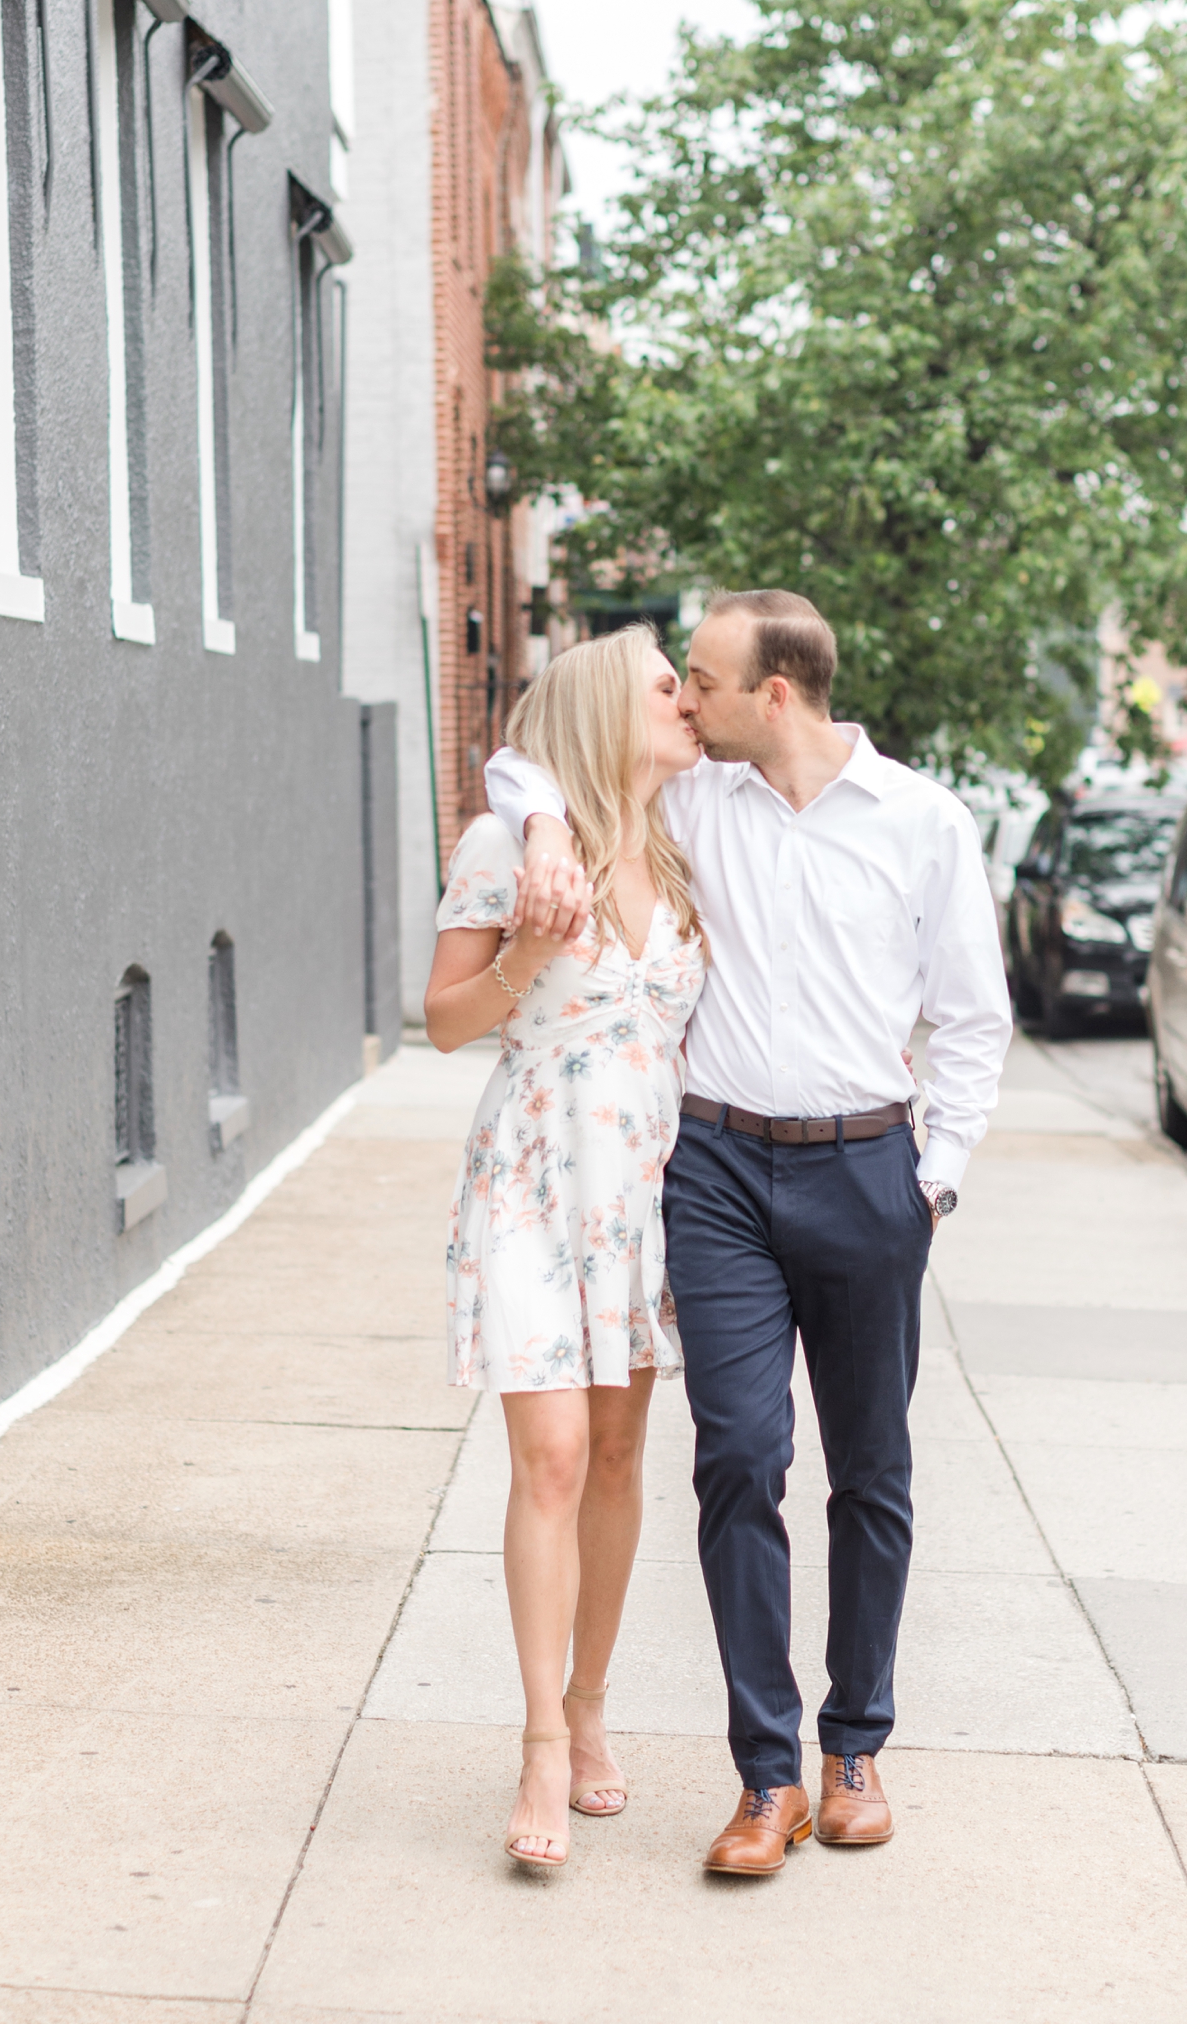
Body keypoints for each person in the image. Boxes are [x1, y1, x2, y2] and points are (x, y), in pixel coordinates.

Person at [486, 589, 1012, 1874]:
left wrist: (929, 1180)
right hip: (715, 1171)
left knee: (870, 1473)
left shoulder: (923, 824)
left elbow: (974, 1020)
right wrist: (547, 820)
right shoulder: (691, 802)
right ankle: (765, 1777)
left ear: (775, 693)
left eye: (702, 681)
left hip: (866, 1171)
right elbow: (523, 753)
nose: (684, 702)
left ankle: (855, 1748)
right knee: (737, 1459)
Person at [424, 624, 705, 1868]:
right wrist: (527, 957)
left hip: (645, 1198)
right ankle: (542, 1741)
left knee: (616, 1456)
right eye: (667, 689)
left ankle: (592, 1707)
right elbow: (440, 1021)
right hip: (536, 1183)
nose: (690, 703)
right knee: (549, 1455)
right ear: (606, 708)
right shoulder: (509, 845)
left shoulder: (688, 849)